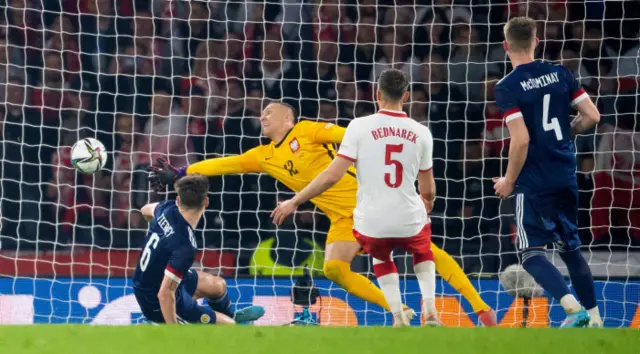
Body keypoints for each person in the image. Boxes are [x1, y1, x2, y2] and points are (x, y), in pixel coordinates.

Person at [149, 106, 498, 327]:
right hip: (344, 220)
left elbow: (350, 135)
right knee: (333, 268)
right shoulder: (264, 155)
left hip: (370, 203)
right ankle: (400, 311)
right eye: (262, 115)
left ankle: (481, 307)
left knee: (426, 252)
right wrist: (182, 170)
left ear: (289, 118)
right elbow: (226, 164)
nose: (263, 117)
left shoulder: (309, 131)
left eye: (270, 113)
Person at [272, 69, 438, 326]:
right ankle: (431, 312)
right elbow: (427, 186)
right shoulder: (421, 132)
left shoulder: (359, 127)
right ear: (406, 95)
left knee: (381, 255)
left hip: (371, 216)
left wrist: (295, 200)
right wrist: (427, 203)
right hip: (407, 212)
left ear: (376, 94)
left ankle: (398, 315)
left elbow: (331, 176)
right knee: (423, 252)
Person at [492, 17, 602, 328]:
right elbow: (592, 115)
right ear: (536, 41)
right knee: (571, 250)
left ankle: (572, 309)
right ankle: (595, 320)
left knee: (530, 253)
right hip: (565, 174)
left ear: (506, 46)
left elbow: (522, 139)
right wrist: (568, 133)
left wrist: (508, 181)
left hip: (533, 181)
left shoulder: (507, 86)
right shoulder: (560, 72)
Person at [132, 174, 265, 324]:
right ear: (206, 202)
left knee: (218, 285)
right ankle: (157, 322)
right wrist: (171, 331)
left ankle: (230, 316)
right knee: (230, 327)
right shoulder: (185, 245)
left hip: (158, 280)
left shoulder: (166, 208)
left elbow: (144, 210)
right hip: (155, 300)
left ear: (178, 200)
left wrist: (158, 228)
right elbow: (165, 293)